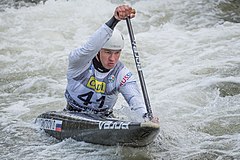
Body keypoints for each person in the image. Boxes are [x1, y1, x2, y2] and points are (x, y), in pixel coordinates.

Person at [65, 5, 158, 123]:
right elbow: (90, 46)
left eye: (117, 53)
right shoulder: (79, 62)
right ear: (98, 50)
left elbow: (134, 98)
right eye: (108, 52)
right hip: (73, 114)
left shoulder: (122, 74)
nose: (112, 59)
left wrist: (145, 117)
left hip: (104, 119)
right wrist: (115, 20)